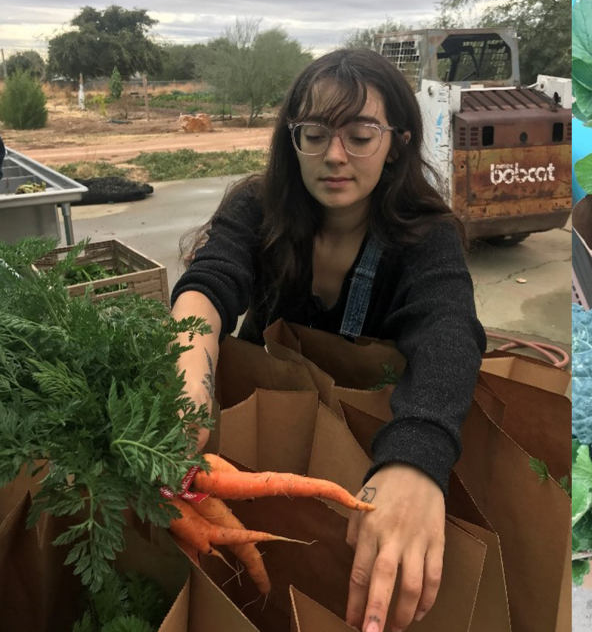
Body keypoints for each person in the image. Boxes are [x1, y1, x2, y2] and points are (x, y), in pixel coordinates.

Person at [170, 49, 486, 632]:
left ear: (397, 141)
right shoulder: (257, 206)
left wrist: (417, 459)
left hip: (367, 452)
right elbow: (208, 287)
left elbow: (449, 330)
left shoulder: (426, 236)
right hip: (254, 439)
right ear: (293, 140)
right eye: (314, 133)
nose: (334, 155)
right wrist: (187, 378)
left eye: (360, 134)